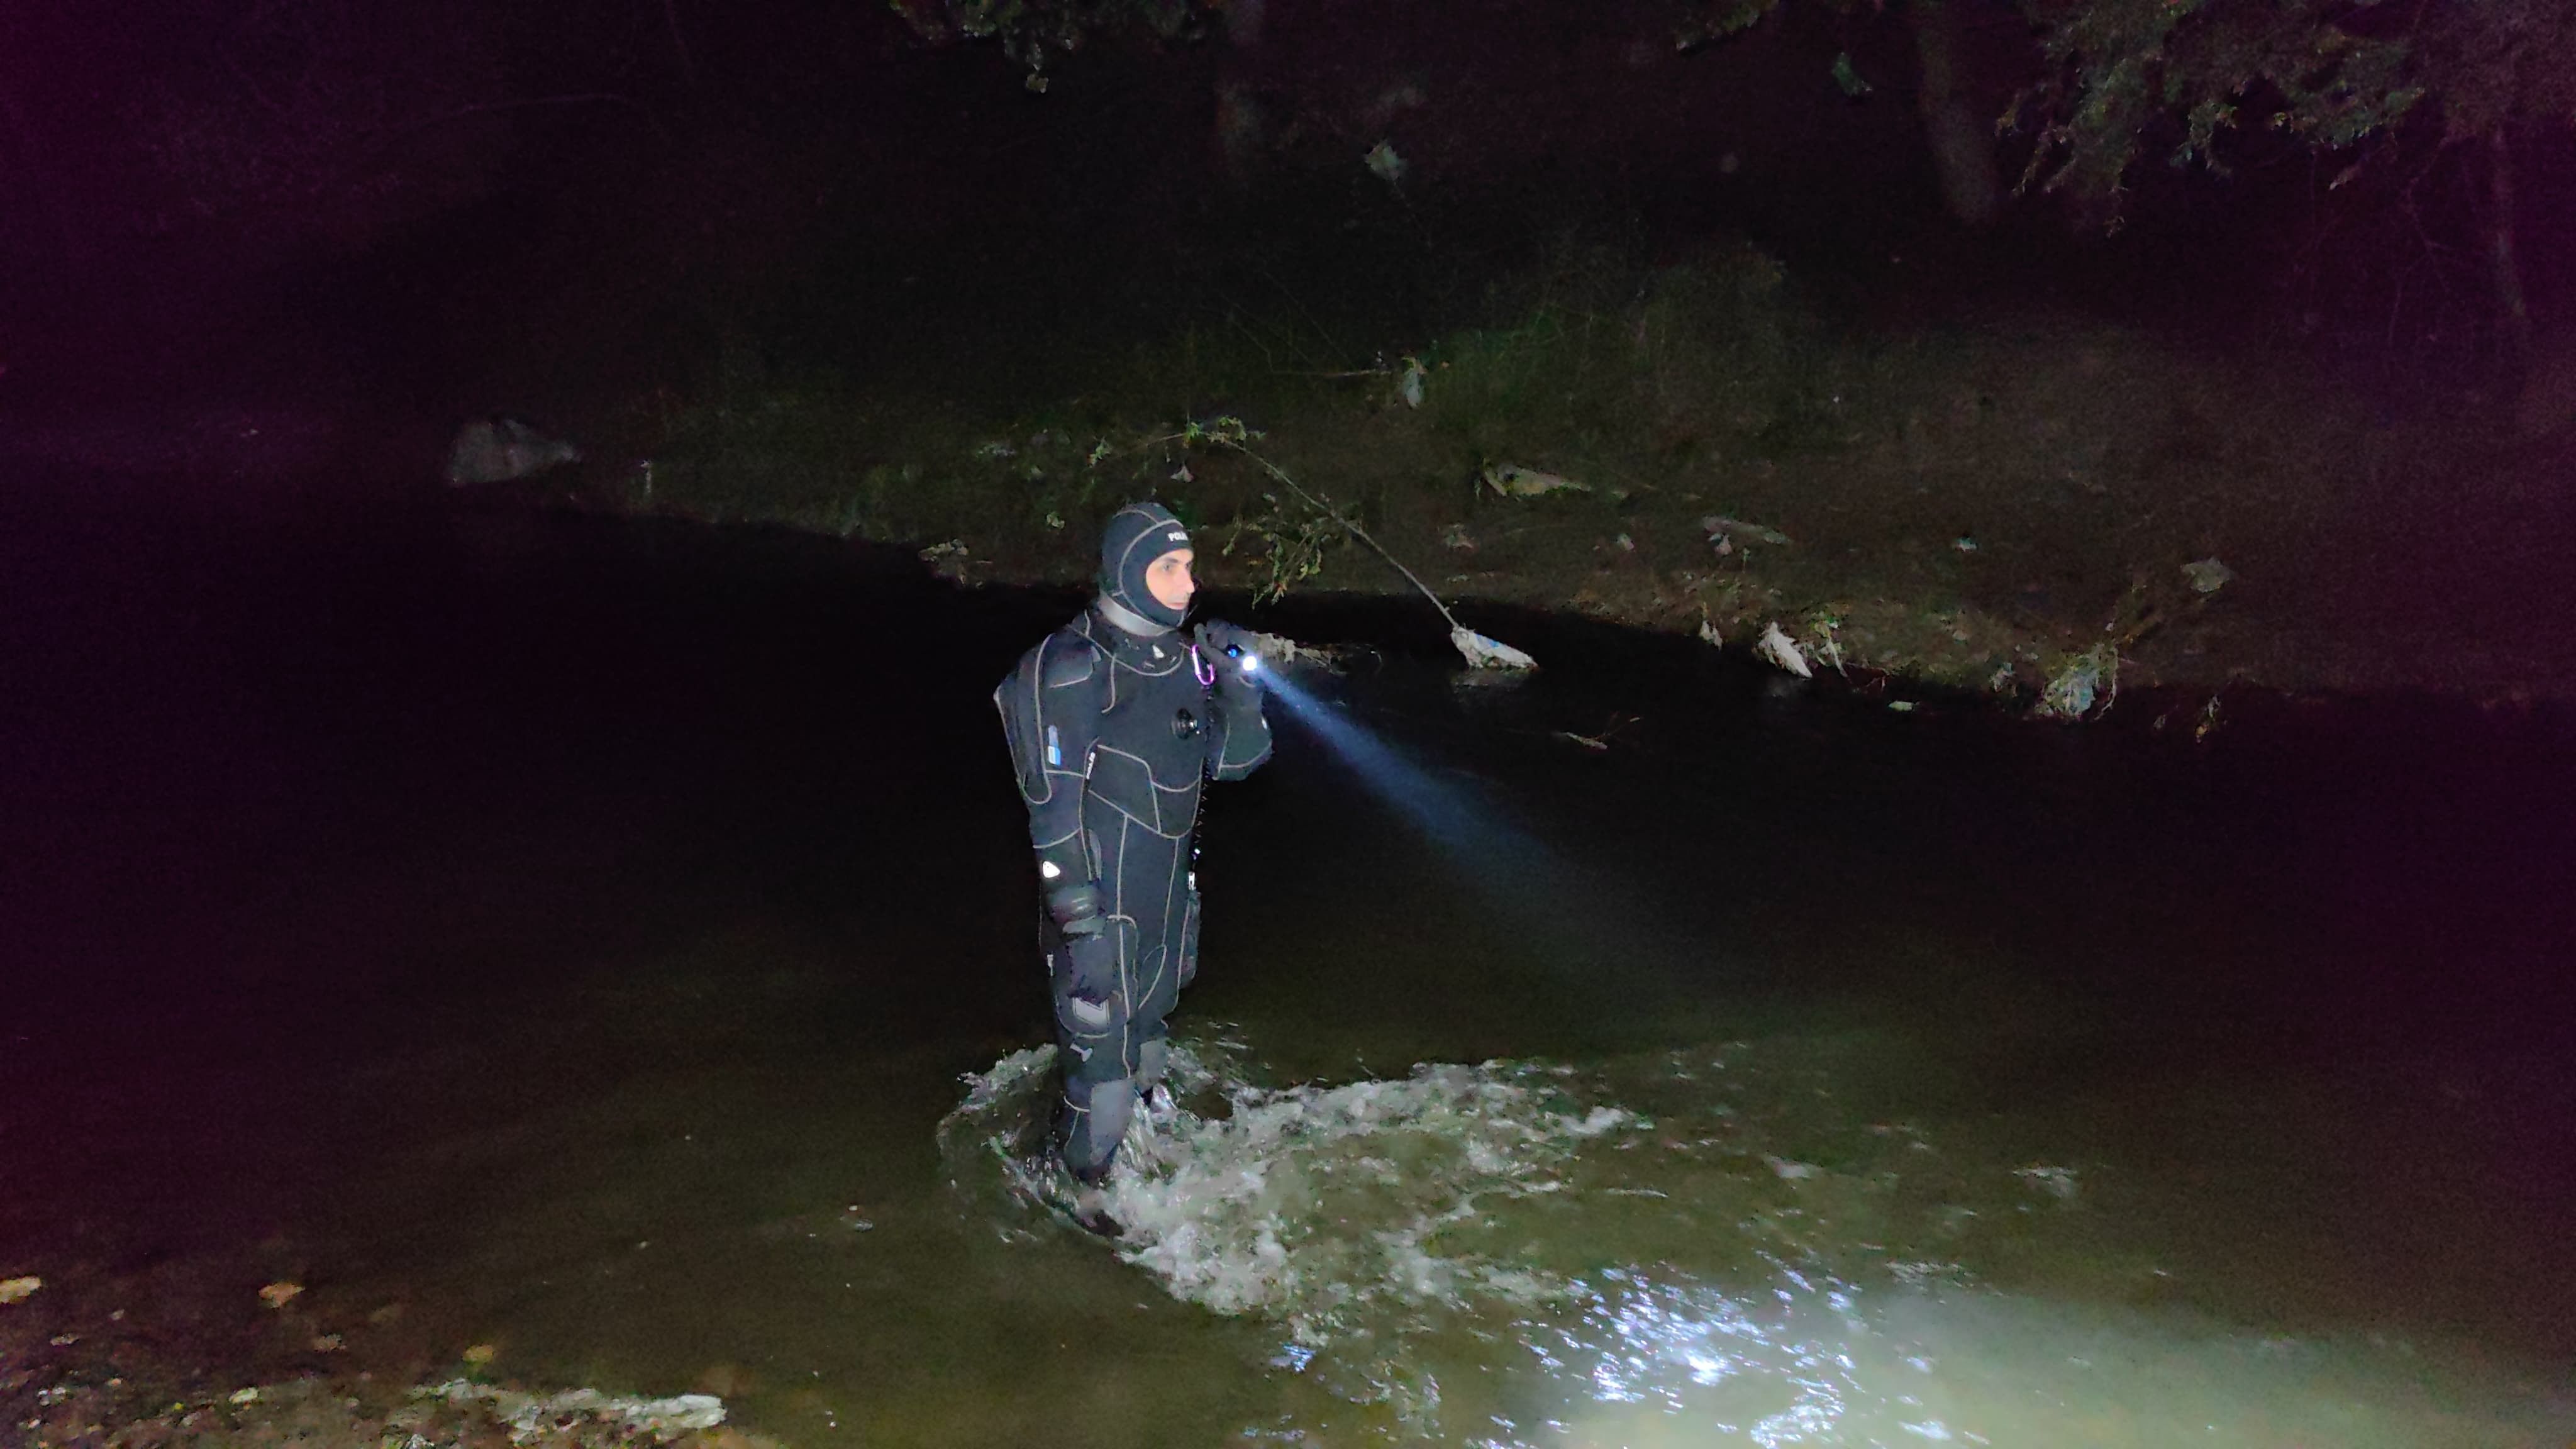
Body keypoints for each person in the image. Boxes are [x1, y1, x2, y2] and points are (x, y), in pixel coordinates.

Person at [993, 501, 1272, 1206]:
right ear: (1126, 570)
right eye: (1169, 567)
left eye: (1189, 566)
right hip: (1099, 917)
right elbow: (1050, 814)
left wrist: (1240, 696)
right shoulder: (1069, 666)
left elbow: (1235, 767)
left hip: (1168, 907)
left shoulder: (1183, 661)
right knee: (1106, 1090)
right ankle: (1072, 1198)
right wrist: (1077, 924)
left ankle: (1137, 1171)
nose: (1189, 584)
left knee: (1148, 1056)